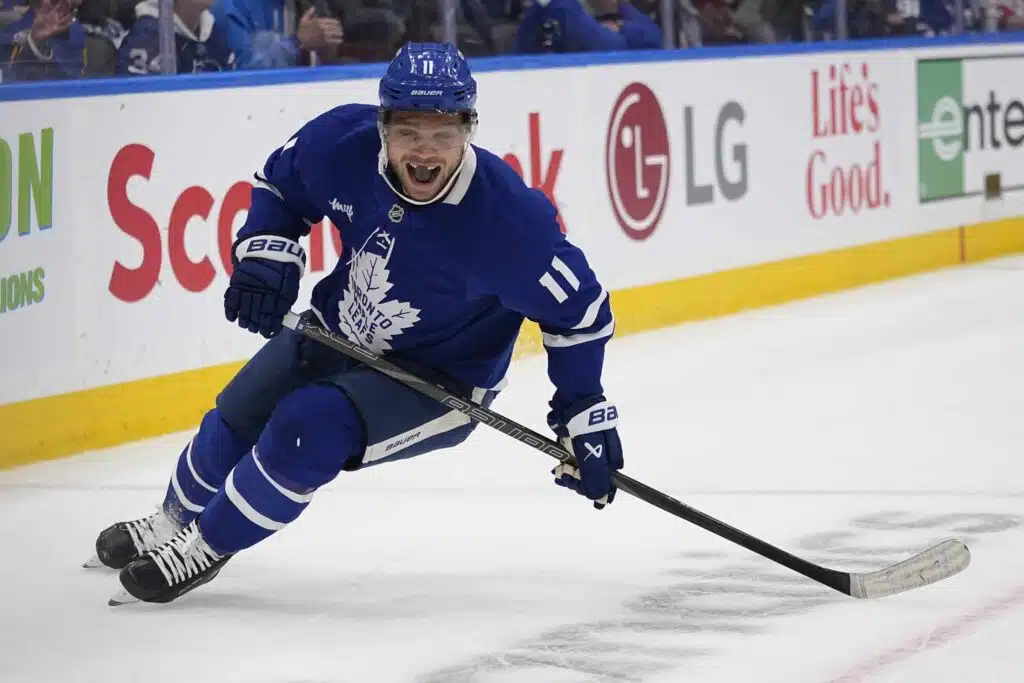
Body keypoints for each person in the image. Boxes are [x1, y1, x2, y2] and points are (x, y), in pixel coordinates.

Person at [87, 41, 625, 607]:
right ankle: (172, 520)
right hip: (336, 328)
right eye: (409, 132)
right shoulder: (343, 141)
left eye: (443, 134)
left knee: (307, 426)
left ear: (469, 129)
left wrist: (582, 411)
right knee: (243, 407)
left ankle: (202, 546)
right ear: (382, 125)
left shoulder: (509, 220)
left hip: (435, 382)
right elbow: (280, 186)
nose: (425, 150)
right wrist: (267, 254)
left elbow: (582, 313)